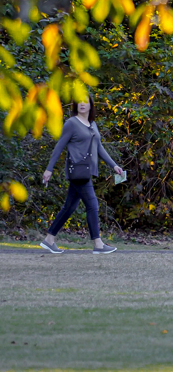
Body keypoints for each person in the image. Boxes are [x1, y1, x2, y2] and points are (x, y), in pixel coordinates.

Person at [39, 94, 124, 254]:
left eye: (86, 101)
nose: (82, 104)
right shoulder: (71, 124)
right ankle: (98, 244)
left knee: (69, 207)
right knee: (93, 205)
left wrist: (114, 165)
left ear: (91, 105)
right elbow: (59, 147)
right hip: (77, 170)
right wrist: (49, 169)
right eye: (79, 101)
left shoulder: (92, 124)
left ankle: (49, 239)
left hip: (86, 171)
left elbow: (99, 148)